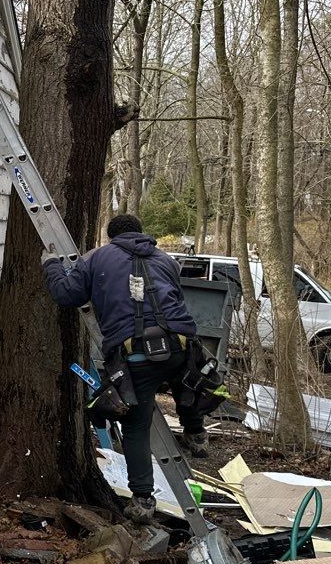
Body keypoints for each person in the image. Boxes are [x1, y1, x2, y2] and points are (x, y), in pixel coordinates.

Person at [41, 213, 208, 521]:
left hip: (136, 354)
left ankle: (143, 501)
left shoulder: (97, 258)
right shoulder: (166, 260)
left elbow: (67, 294)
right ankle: (196, 432)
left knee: (136, 426)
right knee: (187, 381)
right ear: (141, 233)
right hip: (182, 345)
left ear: (111, 236)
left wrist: (51, 264)